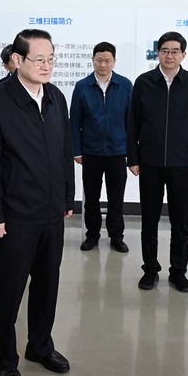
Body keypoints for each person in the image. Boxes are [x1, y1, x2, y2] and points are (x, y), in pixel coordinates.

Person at [0, 29, 74, 376]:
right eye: (39, 59)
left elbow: (64, 151)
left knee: (47, 283)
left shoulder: (56, 97)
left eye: (51, 59)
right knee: (10, 290)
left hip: (51, 211)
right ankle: (3, 360)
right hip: (14, 215)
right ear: (17, 60)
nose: (47, 66)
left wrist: (67, 198)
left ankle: (40, 346)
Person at [127, 31, 188, 293]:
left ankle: (178, 272)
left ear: (183, 54)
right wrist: (133, 157)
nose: (169, 55)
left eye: (174, 51)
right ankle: (150, 270)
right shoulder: (144, 82)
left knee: (179, 222)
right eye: (164, 50)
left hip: (181, 164)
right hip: (149, 162)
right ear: (157, 53)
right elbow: (133, 123)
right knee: (149, 220)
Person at [69, 41, 132, 252]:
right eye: (99, 60)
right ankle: (92, 235)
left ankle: (116, 236)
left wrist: (131, 151)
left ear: (114, 61)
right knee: (91, 197)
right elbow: (74, 121)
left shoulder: (125, 85)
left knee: (116, 197)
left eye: (107, 60)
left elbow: (131, 121)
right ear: (93, 60)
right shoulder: (82, 86)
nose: (103, 64)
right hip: (91, 152)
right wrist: (77, 150)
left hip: (117, 151)